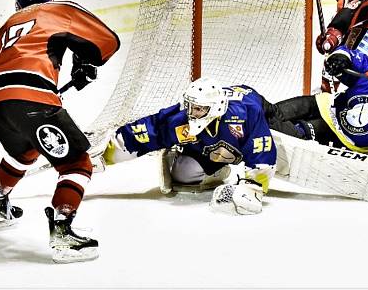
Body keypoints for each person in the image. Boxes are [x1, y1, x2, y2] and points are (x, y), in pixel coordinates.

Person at [0, 0, 121, 263]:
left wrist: (74, 67)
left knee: (26, 150)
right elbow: (107, 42)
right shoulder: (58, 9)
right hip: (32, 98)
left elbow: (31, 54)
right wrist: (85, 63)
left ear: (17, 3)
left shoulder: (8, 26)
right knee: (77, 163)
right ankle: (63, 232)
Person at [103, 78, 277, 215]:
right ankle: (218, 170)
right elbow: (150, 130)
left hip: (262, 110)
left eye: (199, 109)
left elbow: (262, 147)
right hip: (218, 150)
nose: (191, 113)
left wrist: (253, 186)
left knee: (291, 136)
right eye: (190, 106)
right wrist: (107, 154)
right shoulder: (183, 117)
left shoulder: (247, 112)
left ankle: (305, 114)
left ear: (215, 109)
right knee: (183, 173)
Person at [268, 46, 368, 166]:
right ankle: (249, 113)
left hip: (343, 138)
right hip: (328, 105)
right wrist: (339, 59)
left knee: (297, 131)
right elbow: (346, 52)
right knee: (277, 111)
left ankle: (255, 136)